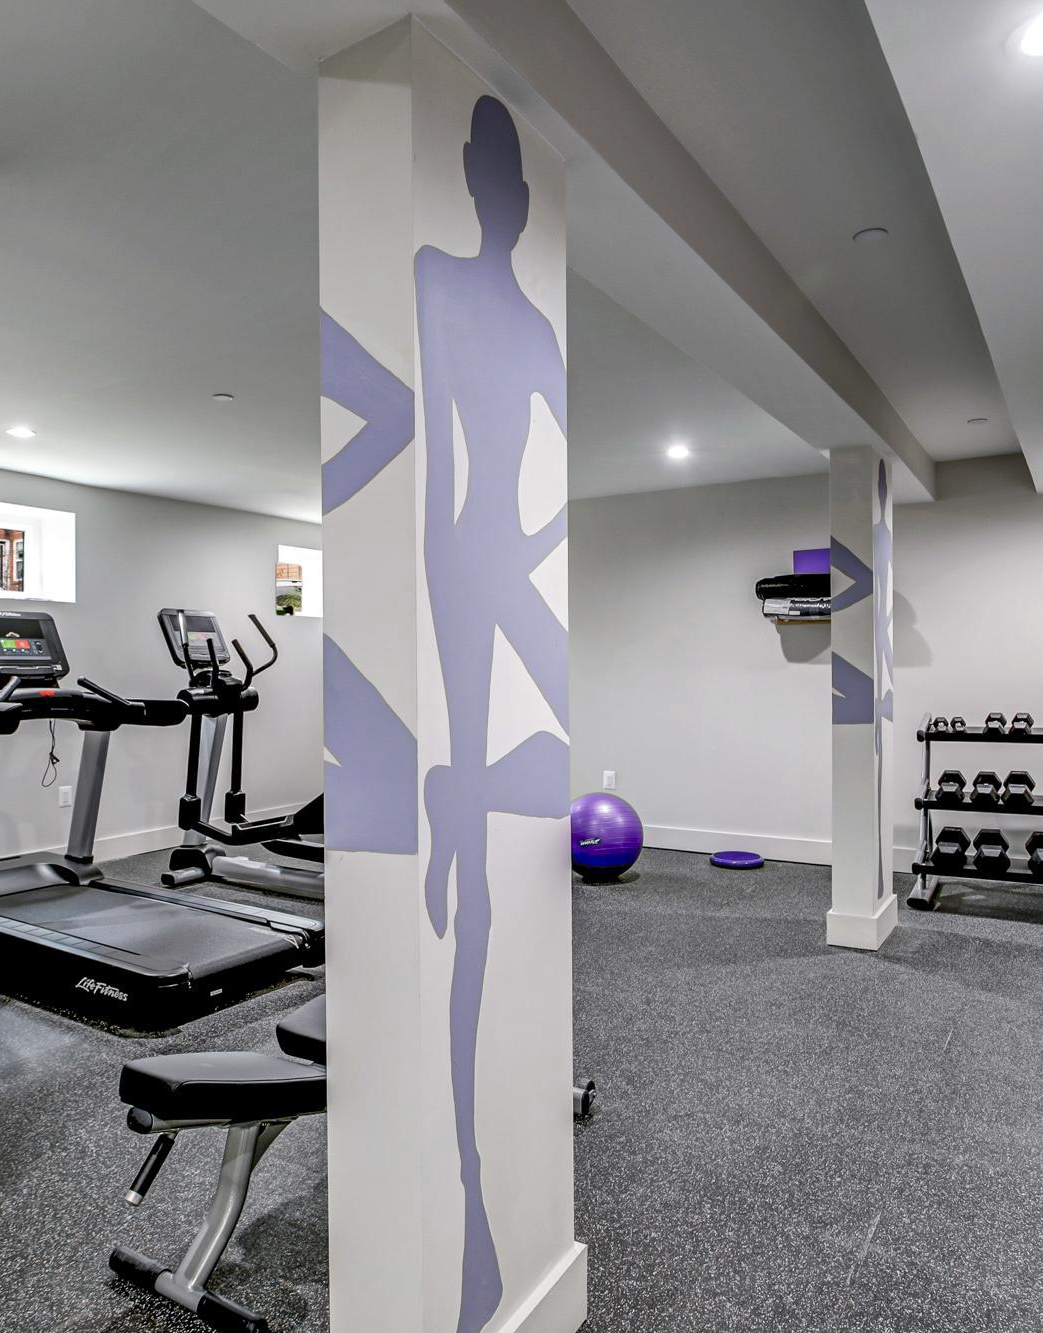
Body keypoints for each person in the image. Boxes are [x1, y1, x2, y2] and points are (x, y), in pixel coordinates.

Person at [415, 96, 571, 1333]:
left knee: (549, 767)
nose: (510, 188)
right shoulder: (427, 275)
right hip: (454, 575)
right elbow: (430, 471)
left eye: (518, 171)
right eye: (497, 166)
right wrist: (464, 577)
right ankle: (469, 1201)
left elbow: (555, 490)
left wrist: (526, 553)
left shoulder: (535, 325)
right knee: (464, 892)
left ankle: (455, 790)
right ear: (472, 178)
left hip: (502, 566)